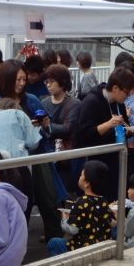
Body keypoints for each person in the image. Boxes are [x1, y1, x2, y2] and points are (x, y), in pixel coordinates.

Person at [74, 68, 134, 201]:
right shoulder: (91, 101)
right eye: (126, 93)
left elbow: (122, 126)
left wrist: (129, 131)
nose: (127, 97)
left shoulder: (118, 103)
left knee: (115, 199)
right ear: (115, 88)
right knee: (99, 199)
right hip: (96, 162)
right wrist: (108, 124)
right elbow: (84, 134)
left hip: (115, 158)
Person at [47, 161, 111, 254]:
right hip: (101, 245)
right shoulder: (103, 201)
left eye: (81, 175)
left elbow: (73, 229)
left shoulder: (81, 202)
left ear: (87, 183)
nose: (79, 177)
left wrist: (64, 219)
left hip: (82, 247)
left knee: (53, 243)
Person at [40, 64, 80, 194]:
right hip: (48, 153)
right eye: (47, 81)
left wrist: (47, 126)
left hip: (67, 157)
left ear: (63, 83)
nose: (48, 85)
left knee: (66, 192)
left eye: (52, 81)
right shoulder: (44, 102)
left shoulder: (74, 103)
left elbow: (68, 129)